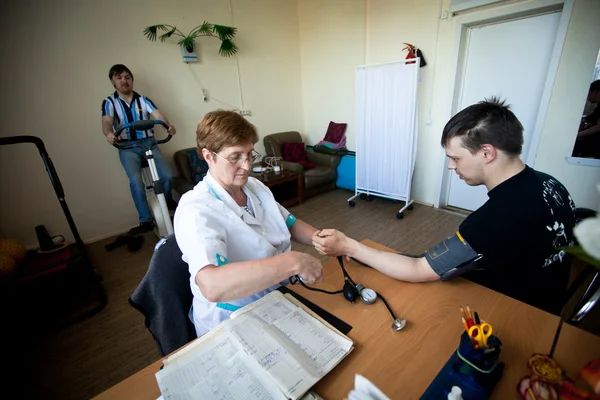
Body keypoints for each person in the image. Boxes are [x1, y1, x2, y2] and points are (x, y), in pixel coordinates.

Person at [313, 98, 577, 315]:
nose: (451, 166)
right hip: (548, 299)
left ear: (486, 153)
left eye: (455, 158)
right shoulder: (552, 184)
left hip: (514, 312)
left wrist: (349, 245)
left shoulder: (495, 219)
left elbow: (419, 269)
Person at [174, 110, 324, 337]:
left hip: (274, 294)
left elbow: (289, 223)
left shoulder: (255, 187)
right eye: (235, 157)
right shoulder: (196, 209)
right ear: (208, 156)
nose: (247, 166)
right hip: (232, 317)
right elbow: (212, 285)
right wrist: (292, 262)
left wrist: (320, 239)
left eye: (249, 154)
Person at [101, 64, 177, 235]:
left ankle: (166, 201)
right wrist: (109, 134)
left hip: (148, 143)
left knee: (168, 176)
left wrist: (167, 126)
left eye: (127, 77)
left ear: (132, 80)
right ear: (113, 82)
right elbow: (107, 122)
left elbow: (158, 115)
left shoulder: (144, 99)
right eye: (119, 78)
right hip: (127, 147)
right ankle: (145, 219)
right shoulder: (109, 102)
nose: (124, 81)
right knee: (136, 182)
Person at [573, 80, 600, 158]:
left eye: (588, 92)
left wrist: (577, 135)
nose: (587, 96)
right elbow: (591, 117)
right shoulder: (598, 107)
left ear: (596, 92)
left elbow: (598, 127)